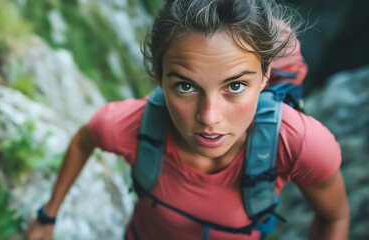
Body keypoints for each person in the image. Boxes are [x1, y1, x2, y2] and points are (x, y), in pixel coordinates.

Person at [26, 0, 350, 239]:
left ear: (266, 75)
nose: (209, 117)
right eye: (185, 86)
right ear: (158, 76)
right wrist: (47, 216)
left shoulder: (301, 144)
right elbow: (85, 139)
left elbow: (333, 218)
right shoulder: (129, 127)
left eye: (235, 86)